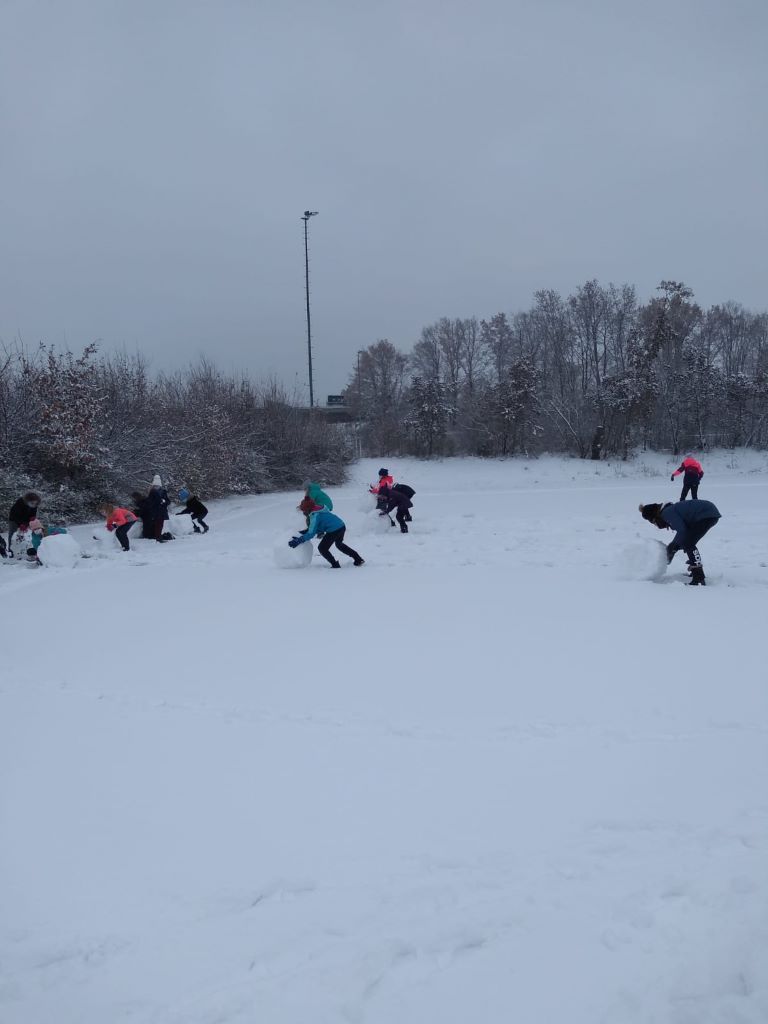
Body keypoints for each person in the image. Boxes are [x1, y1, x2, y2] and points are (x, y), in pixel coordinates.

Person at [639, 499, 721, 585]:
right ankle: (696, 571)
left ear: (655, 516)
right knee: (688, 542)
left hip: (706, 514)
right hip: (707, 513)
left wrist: (673, 547)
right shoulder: (668, 510)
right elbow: (683, 533)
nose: (656, 525)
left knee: (688, 543)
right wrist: (674, 546)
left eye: (654, 522)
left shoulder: (667, 513)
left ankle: (698, 577)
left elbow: (682, 531)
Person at [289, 502, 364, 568]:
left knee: (322, 548)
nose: (303, 512)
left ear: (308, 509)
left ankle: (335, 565)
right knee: (339, 544)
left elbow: (311, 533)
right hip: (341, 526)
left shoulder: (314, 515)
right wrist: (306, 531)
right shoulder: (318, 509)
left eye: (303, 510)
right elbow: (320, 526)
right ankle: (358, 559)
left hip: (334, 530)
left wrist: (299, 540)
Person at [8, 492, 41, 556]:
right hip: (14, 520)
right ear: (28, 501)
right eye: (32, 503)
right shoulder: (19, 503)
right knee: (12, 534)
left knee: (27, 535)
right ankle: (11, 551)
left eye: (35, 503)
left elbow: (33, 513)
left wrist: (32, 518)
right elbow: (15, 515)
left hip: (26, 520)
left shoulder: (34, 505)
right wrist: (21, 524)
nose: (33, 505)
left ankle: (25, 550)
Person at [147, 475, 171, 542]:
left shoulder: (163, 491)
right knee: (157, 524)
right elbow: (150, 502)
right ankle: (158, 537)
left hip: (162, 510)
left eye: (158, 486)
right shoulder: (151, 492)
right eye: (155, 486)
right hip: (156, 511)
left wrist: (164, 501)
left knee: (160, 524)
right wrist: (159, 502)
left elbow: (168, 501)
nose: (156, 487)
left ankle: (158, 536)